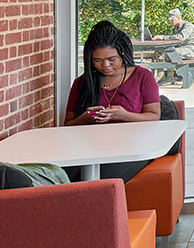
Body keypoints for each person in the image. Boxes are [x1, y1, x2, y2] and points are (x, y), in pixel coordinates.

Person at [63, 20, 161, 181]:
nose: (105, 65)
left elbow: (154, 116)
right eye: (97, 60)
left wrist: (123, 115)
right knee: (64, 177)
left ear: (122, 54)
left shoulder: (142, 77)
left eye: (111, 59)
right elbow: (66, 126)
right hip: (89, 148)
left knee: (97, 179)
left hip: (132, 148)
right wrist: (85, 118)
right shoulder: (82, 83)